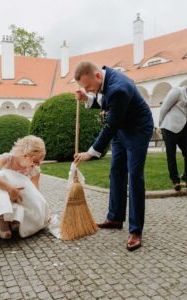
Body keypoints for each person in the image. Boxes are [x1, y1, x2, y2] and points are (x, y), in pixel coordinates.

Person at [73, 62, 153, 251]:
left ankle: (135, 231)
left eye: (87, 86)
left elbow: (110, 126)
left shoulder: (119, 88)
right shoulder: (104, 81)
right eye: (83, 88)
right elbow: (104, 101)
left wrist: (90, 152)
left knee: (134, 177)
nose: (87, 90)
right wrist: (88, 98)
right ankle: (115, 218)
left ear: (97, 76)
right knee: (116, 172)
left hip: (137, 130)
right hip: (121, 130)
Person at [159, 80, 187, 191]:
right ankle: (175, 181)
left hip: (184, 128)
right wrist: (160, 124)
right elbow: (164, 107)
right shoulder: (177, 91)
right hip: (169, 127)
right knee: (171, 155)